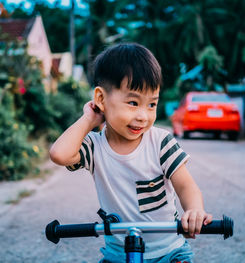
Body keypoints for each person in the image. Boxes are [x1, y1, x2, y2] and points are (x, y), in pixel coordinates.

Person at [49, 43, 212, 263]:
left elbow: (186, 186)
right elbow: (60, 154)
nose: (143, 116)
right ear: (100, 99)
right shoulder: (95, 147)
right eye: (133, 103)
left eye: (151, 104)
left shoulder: (160, 141)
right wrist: (89, 119)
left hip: (169, 252)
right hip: (118, 254)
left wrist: (194, 210)